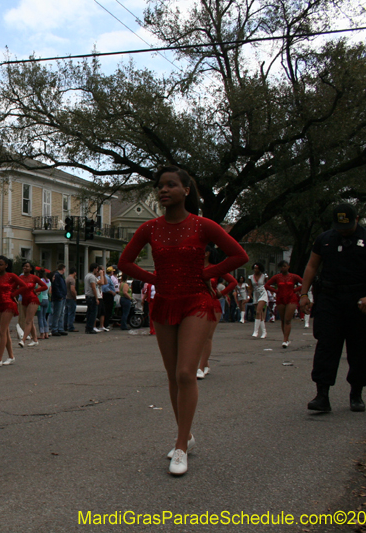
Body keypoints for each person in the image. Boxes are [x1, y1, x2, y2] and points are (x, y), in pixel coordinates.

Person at [118, 165, 247, 476]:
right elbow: (124, 262)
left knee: (187, 373)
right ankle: (186, 434)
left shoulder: (203, 225)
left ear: (186, 190)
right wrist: (153, 278)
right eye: (160, 185)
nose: (164, 190)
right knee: (173, 375)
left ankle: (181, 446)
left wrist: (205, 274)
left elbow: (238, 256)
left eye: (171, 185)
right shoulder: (149, 228)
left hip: (196, 301)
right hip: (164, 302)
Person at [300, 203, 366, 413]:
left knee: (360, 348)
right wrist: (304, 294)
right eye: (340, 226)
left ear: (357, 218)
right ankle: (322, 395)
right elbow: (312, 266)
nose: (344, 229)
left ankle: (356, 393)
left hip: (360, 301)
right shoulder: (324, 239)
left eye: (348, 225)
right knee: (326, 345)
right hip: (330, 299)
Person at [198, 246, 237, 379]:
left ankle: (201, 367)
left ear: (207, 253)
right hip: (195, 304)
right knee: (197, 337)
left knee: (207, 337)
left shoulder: (215, 268)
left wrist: (222, 293)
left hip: (212, 304)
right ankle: (206, 363)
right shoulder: (195, 268)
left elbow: (233, 282)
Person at [0, 256, 28, 367]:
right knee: (4, 331)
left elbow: (24, 286)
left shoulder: (11, 276)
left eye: (1, 264)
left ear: (6, 265)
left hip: (9, 304)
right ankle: (11, 356)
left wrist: (13, 294)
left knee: (2, 331)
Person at [265, 261, 303, 348]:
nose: (283, 268)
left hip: (291, 298)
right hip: (280, 298)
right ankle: (286, 338)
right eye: (281, 267)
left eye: (285, 266)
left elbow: (304, 283)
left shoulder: (293, 276)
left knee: (287, 319)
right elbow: (267, 285)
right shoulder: (277, 277)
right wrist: (275, 291)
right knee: (282, 319)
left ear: (288, 267)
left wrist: (295, 290)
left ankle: (285, 340)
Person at [17, 261, 47, 347]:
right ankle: (35, 340)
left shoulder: (34, 277)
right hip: (24, 300)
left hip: (33, 300)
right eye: (24, 266)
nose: (25, 268)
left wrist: (36, 290)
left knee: (28, 321)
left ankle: (23, 340)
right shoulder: (20, 277)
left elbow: (44, 286)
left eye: (27, 266)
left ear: (30, 268)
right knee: (30, 321)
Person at [249, 263, 268, 338]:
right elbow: (250, 287)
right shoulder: (250, 277)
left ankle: (255, 331)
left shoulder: (264, 276)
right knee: (260, 314)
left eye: (257, 268)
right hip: (255, 294)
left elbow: (267, 284)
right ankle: (264, 331)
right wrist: (249, 295)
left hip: (263, 293)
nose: (255, 270)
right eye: (254, 268)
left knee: (258, 311)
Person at [50, 264, 67, 336]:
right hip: (59, 297)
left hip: (62, 296)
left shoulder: (60, 276)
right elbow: (56, 286)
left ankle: (60, 328)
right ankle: (54, 328)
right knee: (57, 313)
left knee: (61, 313)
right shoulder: (57, 276)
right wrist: (59, 295)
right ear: (63, 269)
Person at [84, 263, 100, 334]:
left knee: (89, 312)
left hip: (87, 295)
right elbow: (93, 287)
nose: (97, 270)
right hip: (91, 296)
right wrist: (96, 298)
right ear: (94, 269)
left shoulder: (87, 276)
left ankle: (87, 327)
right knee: (93, 313)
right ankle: (90, 328)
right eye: (97, 269)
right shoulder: (92, 277)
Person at [37, 270, 51, 339]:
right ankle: (46, 333)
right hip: (46, 299)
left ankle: (42, 334)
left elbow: (39, 290)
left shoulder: (40, 280)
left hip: (40, 299)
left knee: (40, 317)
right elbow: (49, 291)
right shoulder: (48, 281)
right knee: (44, 317)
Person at [64, 267, 78, 332]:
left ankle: (65, 325)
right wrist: (75, 296)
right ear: (75, 272)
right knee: (71, 313)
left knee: (66, 312)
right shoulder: (72, 280)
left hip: (66, 297)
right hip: (71, 298)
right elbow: (72, 289)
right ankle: (71, 326)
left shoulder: (66, 278)